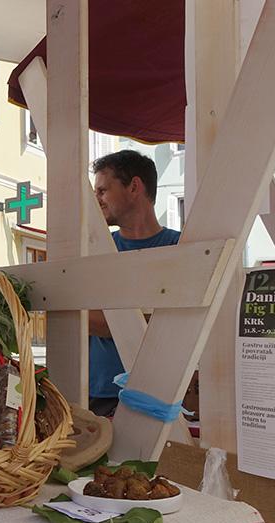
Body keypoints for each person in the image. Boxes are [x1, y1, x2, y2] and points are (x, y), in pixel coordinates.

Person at [88, 150, 181, 417]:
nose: (96, 199)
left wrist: (109, 320)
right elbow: (83, 318)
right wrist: (149, 320)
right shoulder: (95, 252)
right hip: (98, 393)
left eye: (102, 190)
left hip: (161, 395)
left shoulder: (179, 247)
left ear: (134, 187)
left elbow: (179, 325)